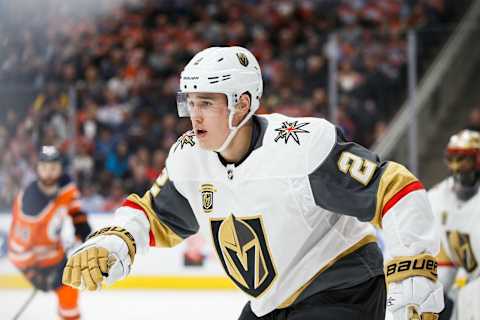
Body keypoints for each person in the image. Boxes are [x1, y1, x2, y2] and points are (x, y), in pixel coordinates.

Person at [62, 46, 443, 320]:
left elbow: (395, 187)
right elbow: (153, 214)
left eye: (207, 103)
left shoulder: (301, 146)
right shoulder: (189, 158)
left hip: (344, 288)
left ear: (242, 104)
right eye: (190, 102)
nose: (194, 115)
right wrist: (114, 241)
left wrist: (413, 261)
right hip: (270, 305)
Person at [8, 145, 91, 320]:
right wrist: (33, 275)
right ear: (37, 169)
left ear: (60, 168)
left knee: (69, 293)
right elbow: (16, 249)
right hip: (34, 263)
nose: (49, 173)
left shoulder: (66, 184)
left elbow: (73, 204)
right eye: (44, 168)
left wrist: (80, 222)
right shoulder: (30, 205)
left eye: (54, 168)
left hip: (56, 254)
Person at [428, 129, 480, 320]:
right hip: (459, 278)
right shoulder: (436, 197)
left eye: (464, 159)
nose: (457, 166)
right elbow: (442, 264)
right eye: (453, 158)